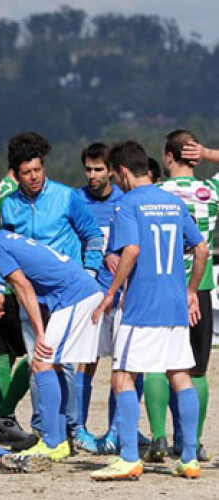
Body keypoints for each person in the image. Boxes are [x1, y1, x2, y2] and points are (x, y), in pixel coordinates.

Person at [89, 140, 208, 481]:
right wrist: (190, 291)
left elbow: (132, 250)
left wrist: (111, 293)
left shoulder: (127, 204)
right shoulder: (173, 202)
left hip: (142, 306)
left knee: (122, 376)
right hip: (173, 305)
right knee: (179, 375)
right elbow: (200, 249)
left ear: (123, 172)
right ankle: (188, 458)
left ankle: (128, 457)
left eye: (115, 176)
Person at [0, 132, 104, 452]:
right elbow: (4, 252)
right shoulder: (8, 206)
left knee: (65, 364)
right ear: (15, 174)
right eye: (27, 173)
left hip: (66, 297)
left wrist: (88, 272)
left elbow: (93, 236)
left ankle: (71, 426)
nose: (35, 177)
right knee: (36, 362)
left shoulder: (67, 197)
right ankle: (43, 429)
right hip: (30, 297)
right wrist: (1, 287)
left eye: (39, 170)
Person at [0, 226, 104, 463]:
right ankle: (59, 437)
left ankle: (53, 441)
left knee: (42, 363)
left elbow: (24, 287)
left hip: (74, 296)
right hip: (78, 293)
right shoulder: (2, 238)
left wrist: (39, 333)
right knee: (52, 365)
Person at [144, 130, 219, 462]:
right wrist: (208, 153)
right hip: (200, 289)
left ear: (168, 157)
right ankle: (193, 441)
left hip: (162, 288)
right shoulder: (212, 190)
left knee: (158, 367)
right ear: (193, 156)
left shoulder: (155, 193)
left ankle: (159, 436)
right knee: (198, 371)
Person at [72, 143, 130, 453]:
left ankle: (117, 430)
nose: (92, 175)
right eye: (88, 169)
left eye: (98, 169)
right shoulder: (75, 200)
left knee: (124, 367)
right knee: (87, 362)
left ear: (110, 170)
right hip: (91, 296)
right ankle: (78, 428)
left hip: (122, 296)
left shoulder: (125, 200)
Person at [0, 165, 31, 444]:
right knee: (35, 354)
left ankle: (1, 421)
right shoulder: (15, 196)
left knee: (2, 355)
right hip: (14, 280)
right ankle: (5, 413)